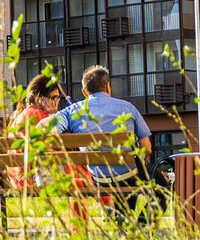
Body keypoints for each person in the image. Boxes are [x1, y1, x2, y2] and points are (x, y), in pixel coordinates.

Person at [41, 65, 161, 226]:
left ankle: (124, 224)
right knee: (162, 187)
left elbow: (43, 128)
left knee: (118, 181)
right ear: (108, 86)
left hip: (98, 178)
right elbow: (146, 147)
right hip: (128, 175)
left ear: (84, 92)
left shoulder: (72, 111)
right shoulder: (127, 107)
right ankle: (141, 224)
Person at [7, 74, 93, 224]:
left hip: (19, 179)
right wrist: (53, 116)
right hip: (35, 179)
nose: (56, 102)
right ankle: (81, 228)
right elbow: (55, 152)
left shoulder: (21, 116)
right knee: (84, 179)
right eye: (53, 98)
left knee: (80, 176)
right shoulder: (39, 116)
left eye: (57, 98)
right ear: (39, 97)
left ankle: (80, 227)